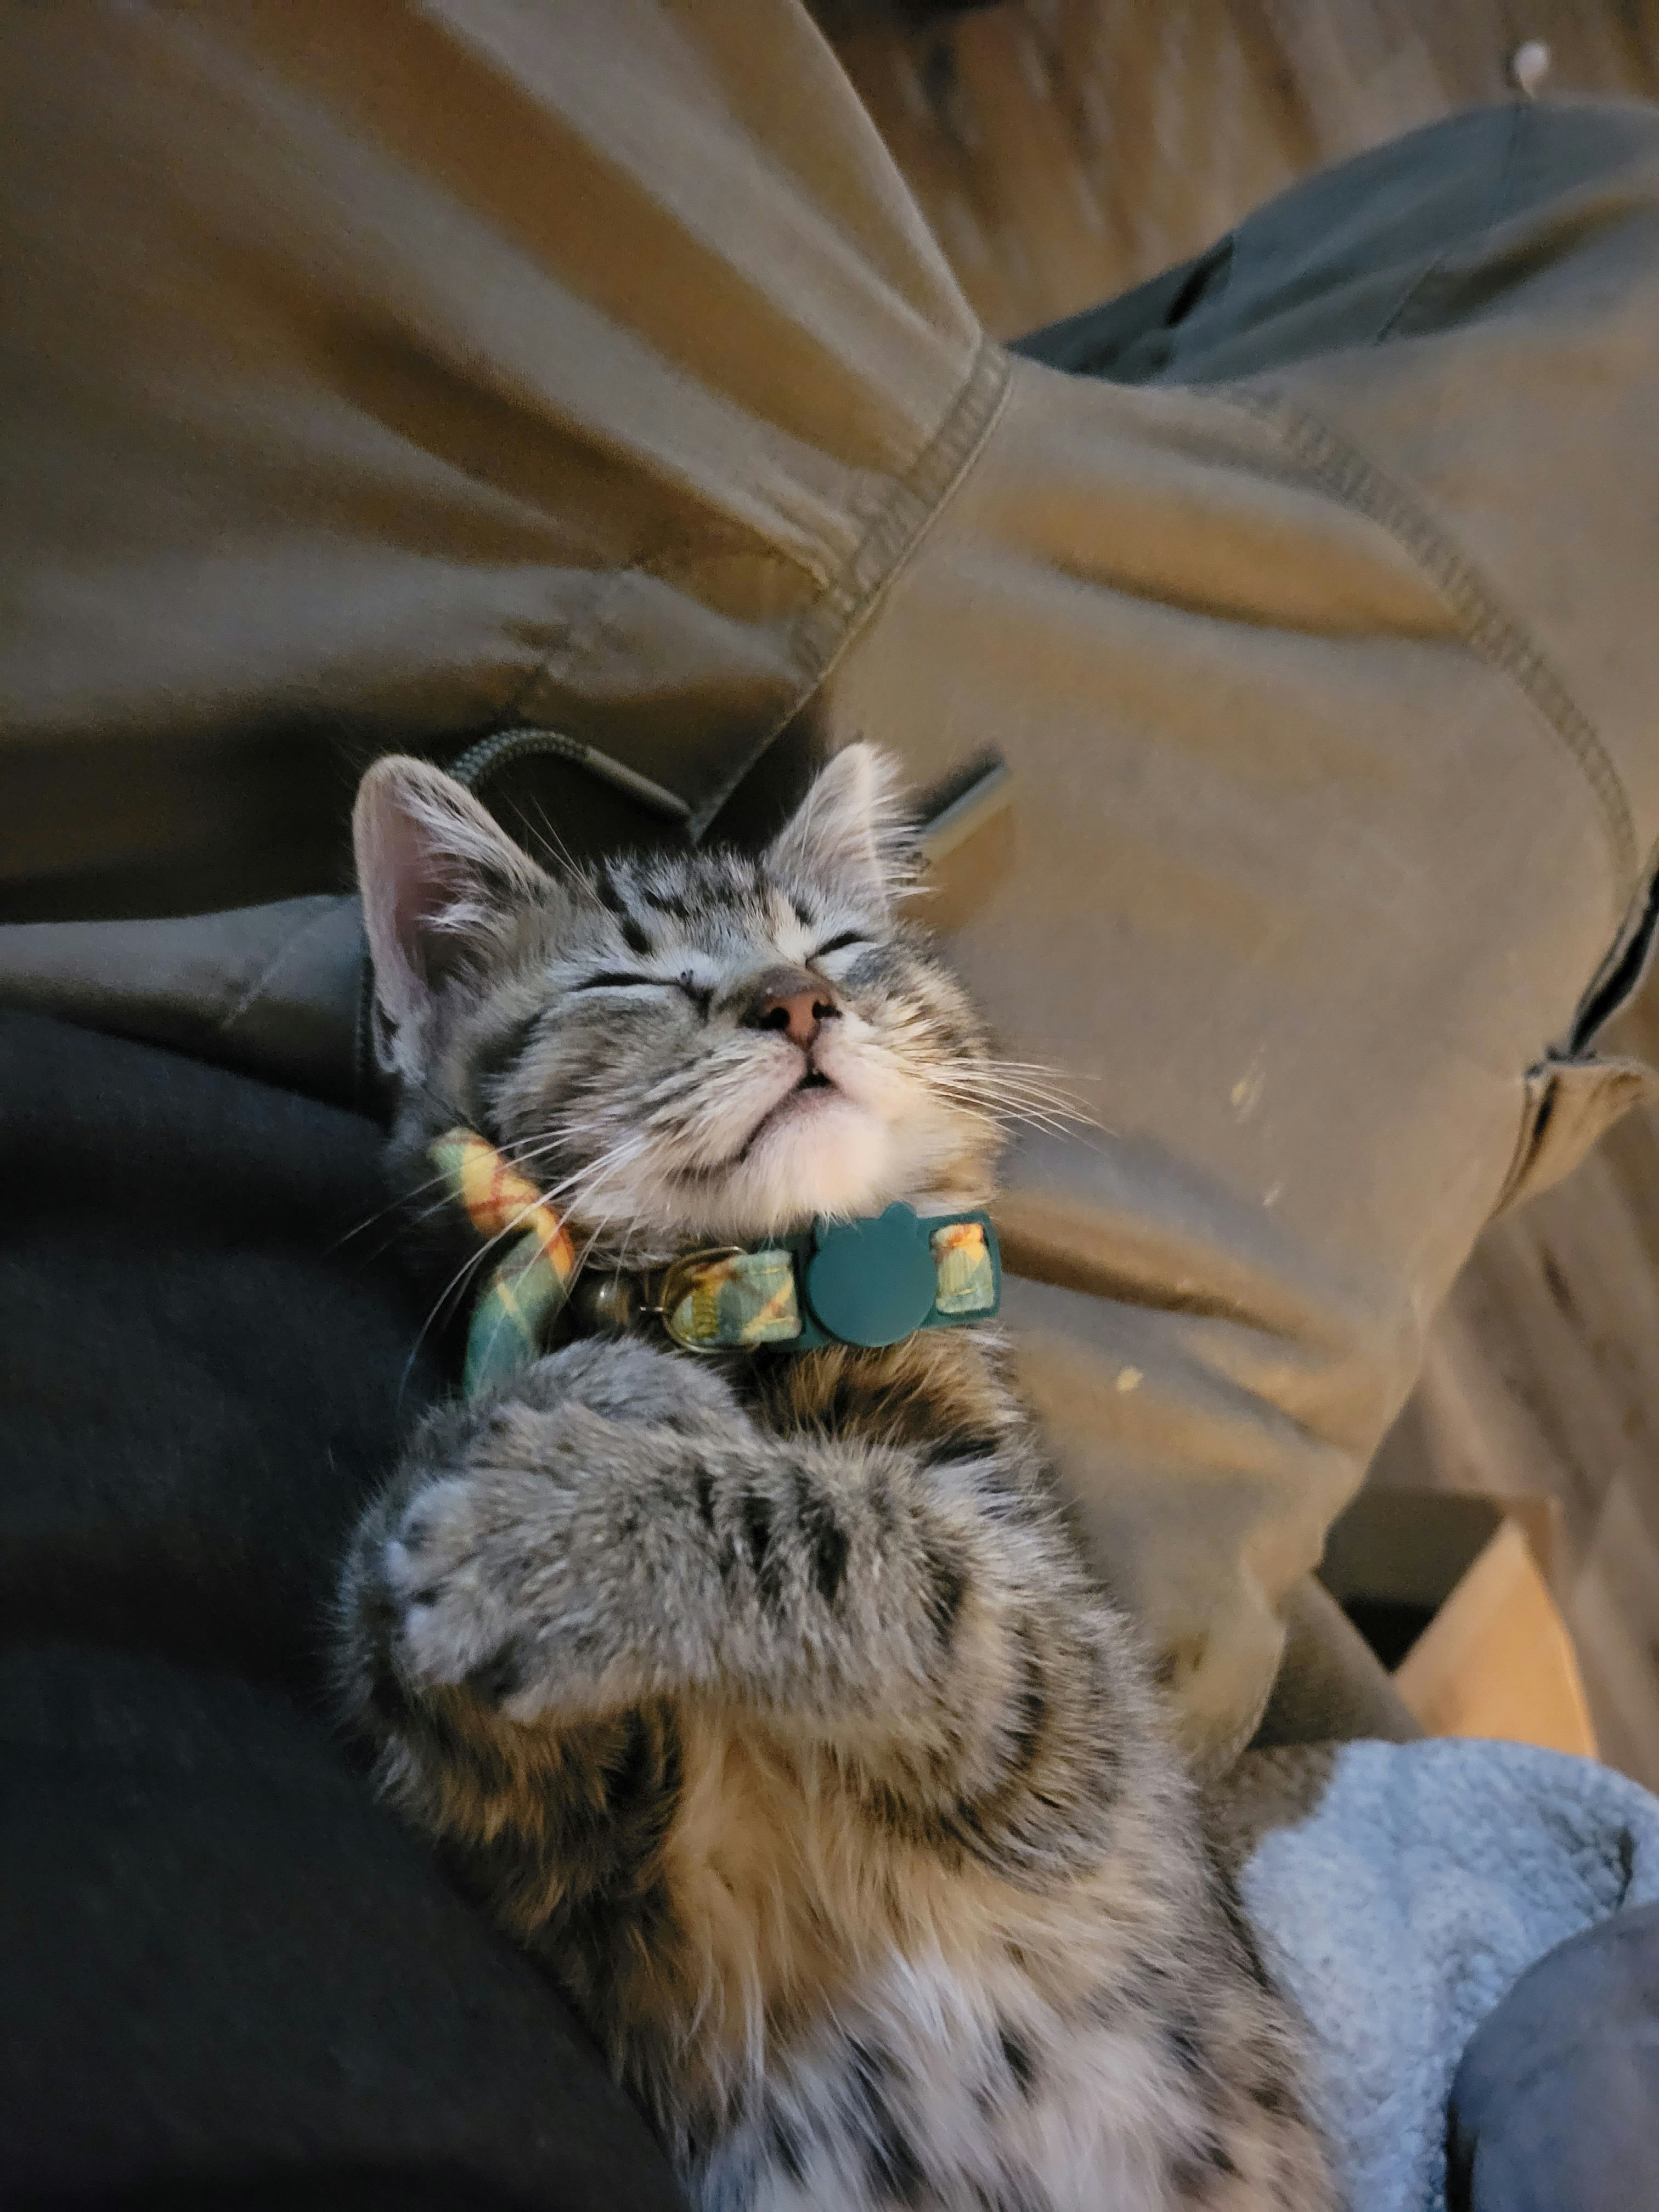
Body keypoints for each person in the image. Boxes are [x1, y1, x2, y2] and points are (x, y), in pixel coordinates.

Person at [4, 4, 1658, 2204]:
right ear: (442, 1042)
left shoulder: (899, 1351)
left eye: (845, 960)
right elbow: (568, 1787)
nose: (794, 998)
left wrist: (669, 1537)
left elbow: (1031, 1751)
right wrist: (553, 1548)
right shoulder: (543, 1363)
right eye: (646, 991)